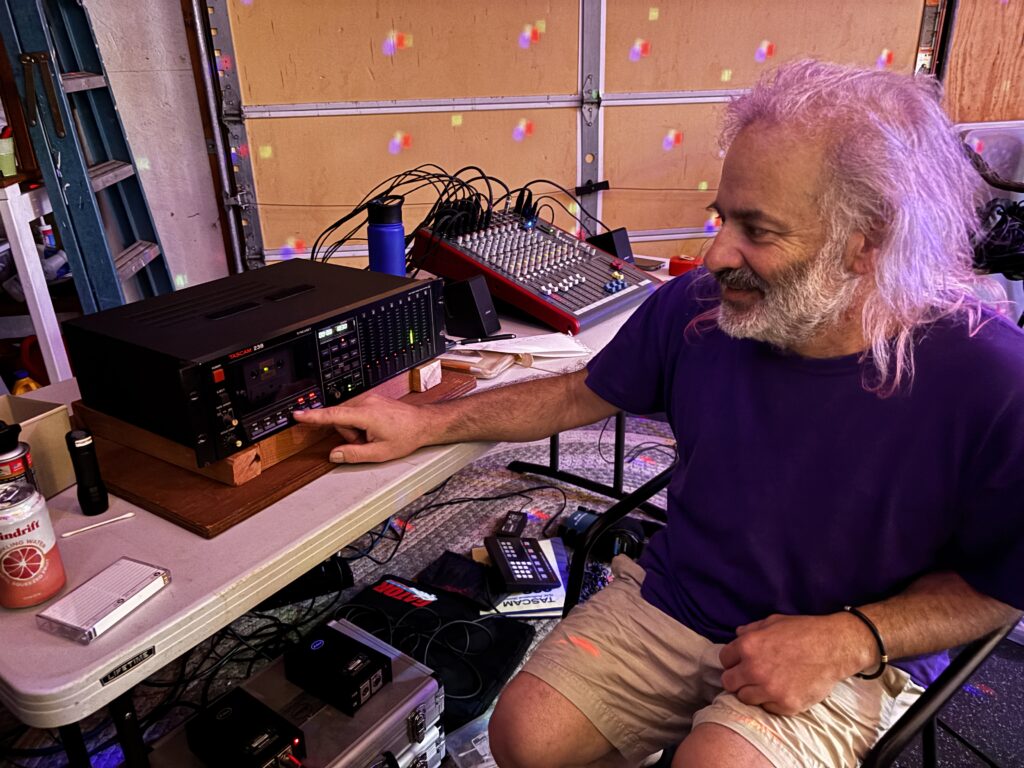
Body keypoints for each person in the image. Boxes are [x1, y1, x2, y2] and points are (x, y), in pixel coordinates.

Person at [294, 60, 1024, 767]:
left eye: (757, 230)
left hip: (851, 646)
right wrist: (428, 422)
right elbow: (576, 393)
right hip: (683, 597)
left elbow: (1002, 588)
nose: (714, 255)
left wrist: (852, 638)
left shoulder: (994, 379)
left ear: (867, 240)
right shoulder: (695, 310)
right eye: (722, 218)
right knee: (525, 734)